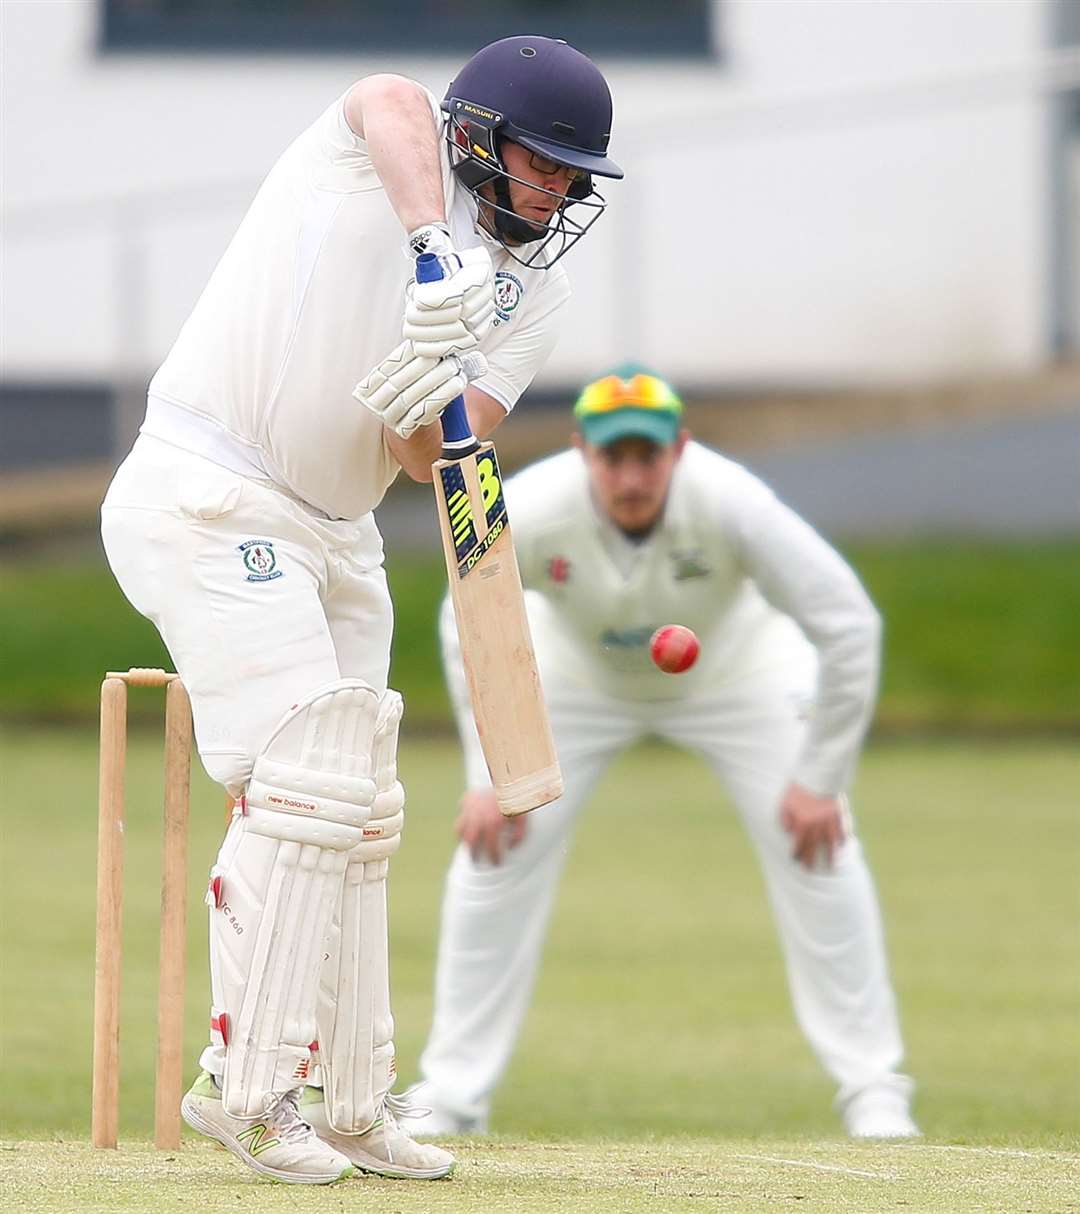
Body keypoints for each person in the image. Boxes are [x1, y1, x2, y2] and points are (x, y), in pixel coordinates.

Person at [99, 36, 622, 1186]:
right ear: (479, 136)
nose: (561, 192)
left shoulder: (540, 284)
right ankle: (244, 1088)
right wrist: (435, 255)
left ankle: (347, 1099)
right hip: (210, 485)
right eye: (546, 164)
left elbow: (414, 451)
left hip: (339, 531)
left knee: (364, 807)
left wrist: (431, 379)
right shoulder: (377, 155)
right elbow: (384, 96)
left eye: (576, 176)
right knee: (305, 785)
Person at [409, 367, 921, 1141]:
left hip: (737, 671)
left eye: (648, 455)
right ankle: (449, 1096)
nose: (631, 475)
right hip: (571, 677)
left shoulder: (732, 499)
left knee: (821, 845)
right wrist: (491, 774)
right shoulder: (528, 503)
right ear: (582, 450)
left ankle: (876, 1094)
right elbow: (465, 614)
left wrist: (820, 779)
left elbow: (848, 623)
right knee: (494, 850)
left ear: (680, 448)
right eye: (613, 456)